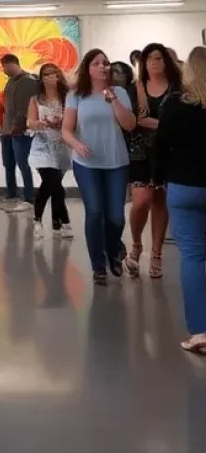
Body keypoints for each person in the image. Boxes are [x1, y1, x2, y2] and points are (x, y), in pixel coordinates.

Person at [61, 49, 137, 284]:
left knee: (116, 217)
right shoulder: (76, 95)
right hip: (87, 163)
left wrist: (113, 100)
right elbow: (66, 130)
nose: (103, 66)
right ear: (88, 68)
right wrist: (77, 144)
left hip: (116, 162)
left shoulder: (119, 92)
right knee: (95, 212)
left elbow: (130, 125)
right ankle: (98, 266)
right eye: (97, 63)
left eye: (106, 63)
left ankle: (114, 250)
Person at [153, 46, 206, 354]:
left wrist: (157, 178)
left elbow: (161, 146)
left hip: (184, 186)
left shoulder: (175, 104)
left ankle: (200, 332)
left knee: (193, 257)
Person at [126, 43, 183, 279]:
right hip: (139, 151)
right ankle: (137, 243)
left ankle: (157, 253)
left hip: (167, 152)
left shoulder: (178, 88)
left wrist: (158, 124)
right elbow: (133, 120)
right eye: (149, 59)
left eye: (158, 58)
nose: (153, 63)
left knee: (160, 201)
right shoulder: (135, 88)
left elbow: (182, 120)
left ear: (166, 62)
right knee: (141, 201)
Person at [26, 63, 73, 240]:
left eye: (54, 73)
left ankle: (55, 221)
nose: (51, 77)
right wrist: (38, 123)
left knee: (53, 185)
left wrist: (60, 122)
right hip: (42, 145)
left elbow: (73, 119)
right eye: (46, 74)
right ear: (41, 78)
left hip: (61, 144)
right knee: (53, 182)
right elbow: (30, 121)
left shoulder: (67, 97)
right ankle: (59, 220)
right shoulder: (35, 99)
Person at [0, 54, 39, 210]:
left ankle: (29, 196)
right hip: (6, 130)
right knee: (8, 164)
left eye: (4, 66)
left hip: (20, 131)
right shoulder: (10, 81)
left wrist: (18, 127)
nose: (3, 70)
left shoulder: (28, 82)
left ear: (11, 64)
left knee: (23, 163)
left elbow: (24, 108)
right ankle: (11, 194)